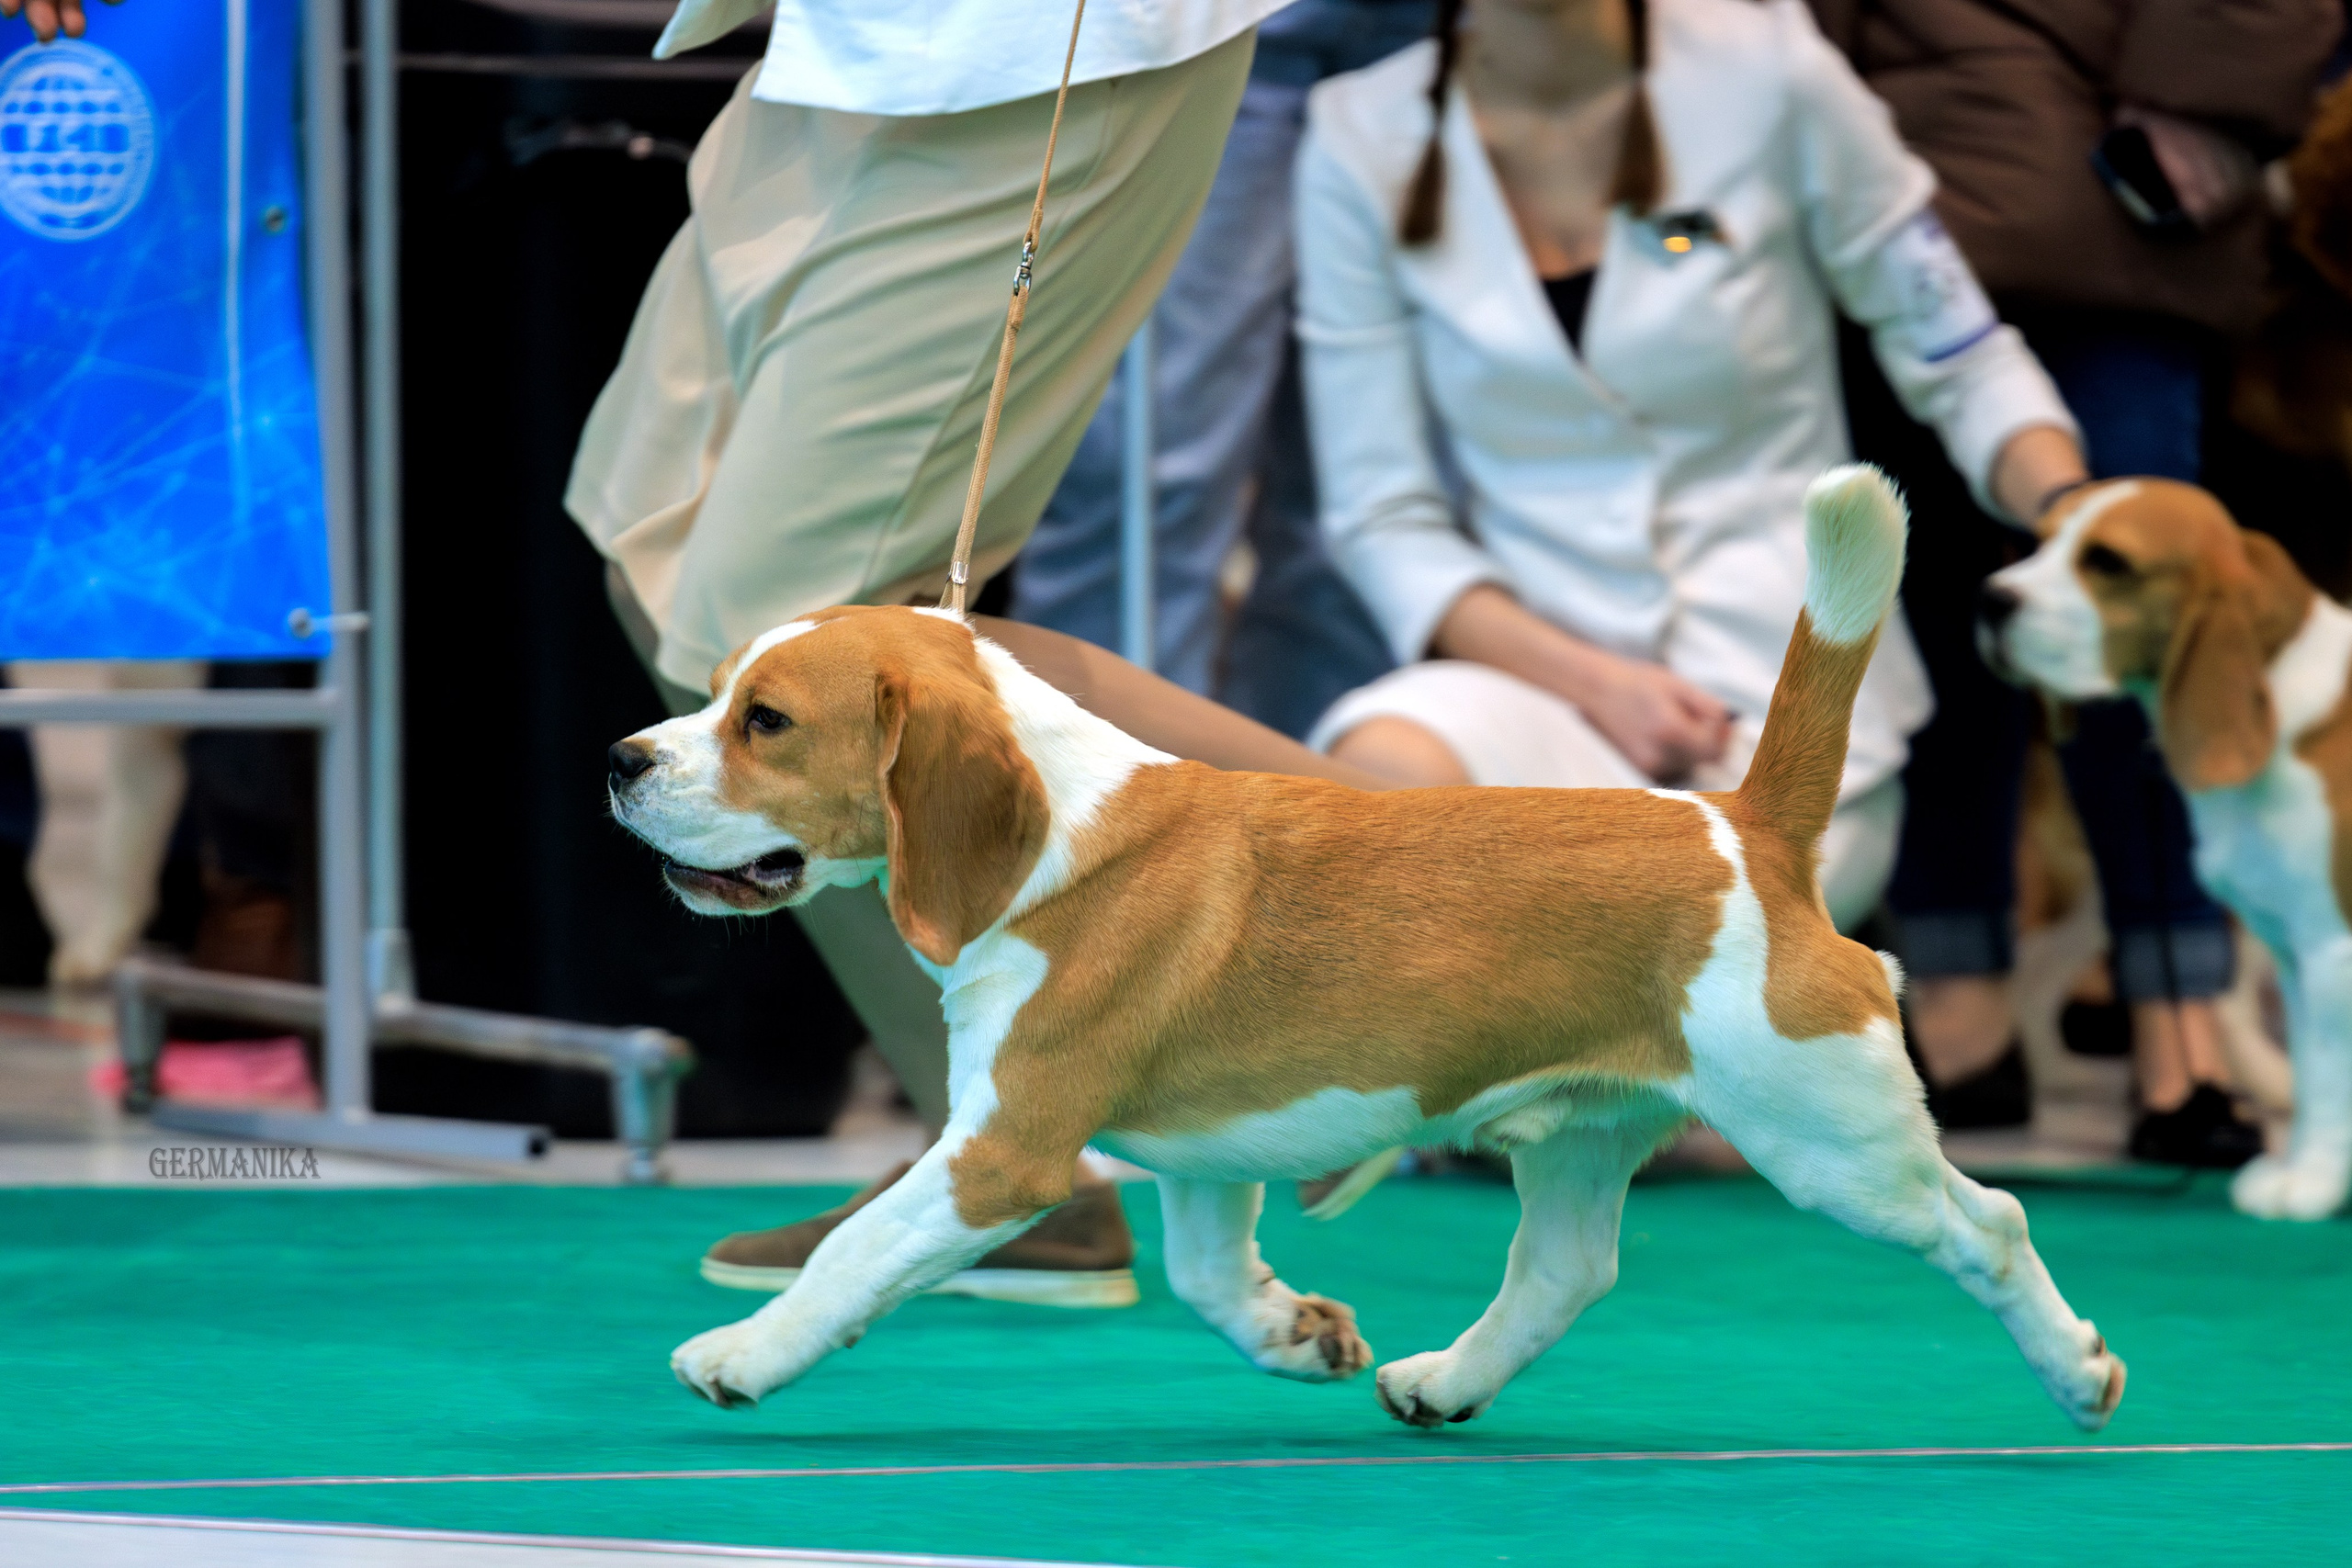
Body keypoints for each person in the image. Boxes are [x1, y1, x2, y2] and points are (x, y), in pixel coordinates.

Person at [571, 0, 1402, 1307]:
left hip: (1026, 53)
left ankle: (1408, 901)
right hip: (831, 44)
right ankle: (1001, 1157)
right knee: (654, 533)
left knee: (787, 613)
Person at [1290, 0, 2087, 937]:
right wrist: (1595, 685)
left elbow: (1962, 359)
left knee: (1620, 952)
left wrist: (2074, 509)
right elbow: (1381, 517)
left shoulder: (1772, 69)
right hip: (1537, 693)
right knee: (1380, 783)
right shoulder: (1357, 134)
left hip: (1782, 709)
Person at [1810, 0, 2340, 1159]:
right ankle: (1959, 1000)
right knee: (1939, 628)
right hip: (1877, 194)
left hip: (2116, 215)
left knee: (2147, 630)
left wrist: (2206, 104)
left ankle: (2177, 1007)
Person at [1010, 0, 1430, 739]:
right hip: (1218, 25)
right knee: (1148, 480)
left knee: (1363, 499)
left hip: (1432, 30)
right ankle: (1099, 787)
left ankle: (1315, 796)